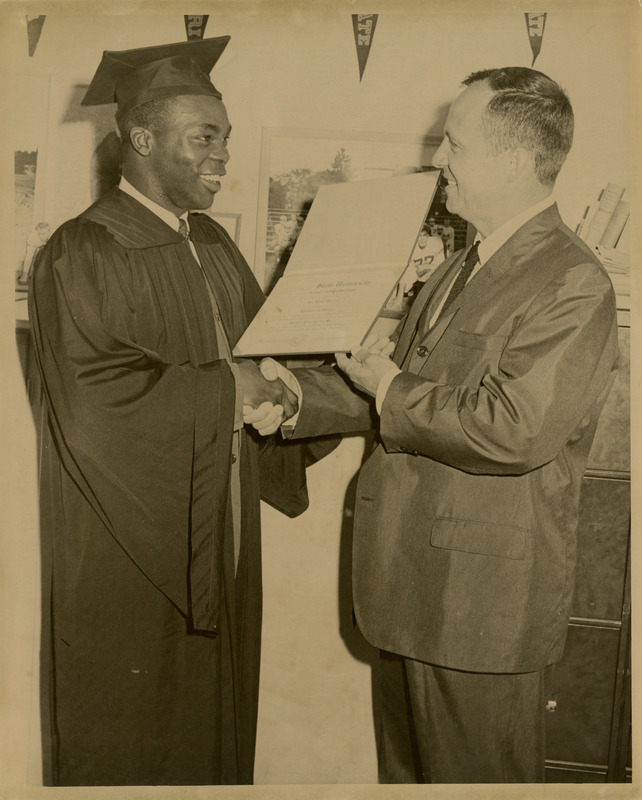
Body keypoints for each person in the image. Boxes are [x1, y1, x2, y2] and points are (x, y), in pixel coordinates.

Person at [249, 66, 619, 783]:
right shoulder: (461, 266)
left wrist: (389, 384)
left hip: (480, 611)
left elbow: (513, 428)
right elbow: (391, 390)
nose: (437, 160)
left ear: (511, 161)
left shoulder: (573, 281)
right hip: (409, 588)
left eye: (453, 144)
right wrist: (299, 399)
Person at [28, 37, 321, 787]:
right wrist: (233, 391)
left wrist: (302, 383)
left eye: (224, 135)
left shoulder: (215, 243)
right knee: (134, 732)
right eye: (205, 137)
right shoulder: (81, 252)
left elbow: (269, 353)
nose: (224, 154)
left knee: (212, 729)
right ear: (143, 138)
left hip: (217, 532)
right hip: (126, 546)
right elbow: (95, 400)